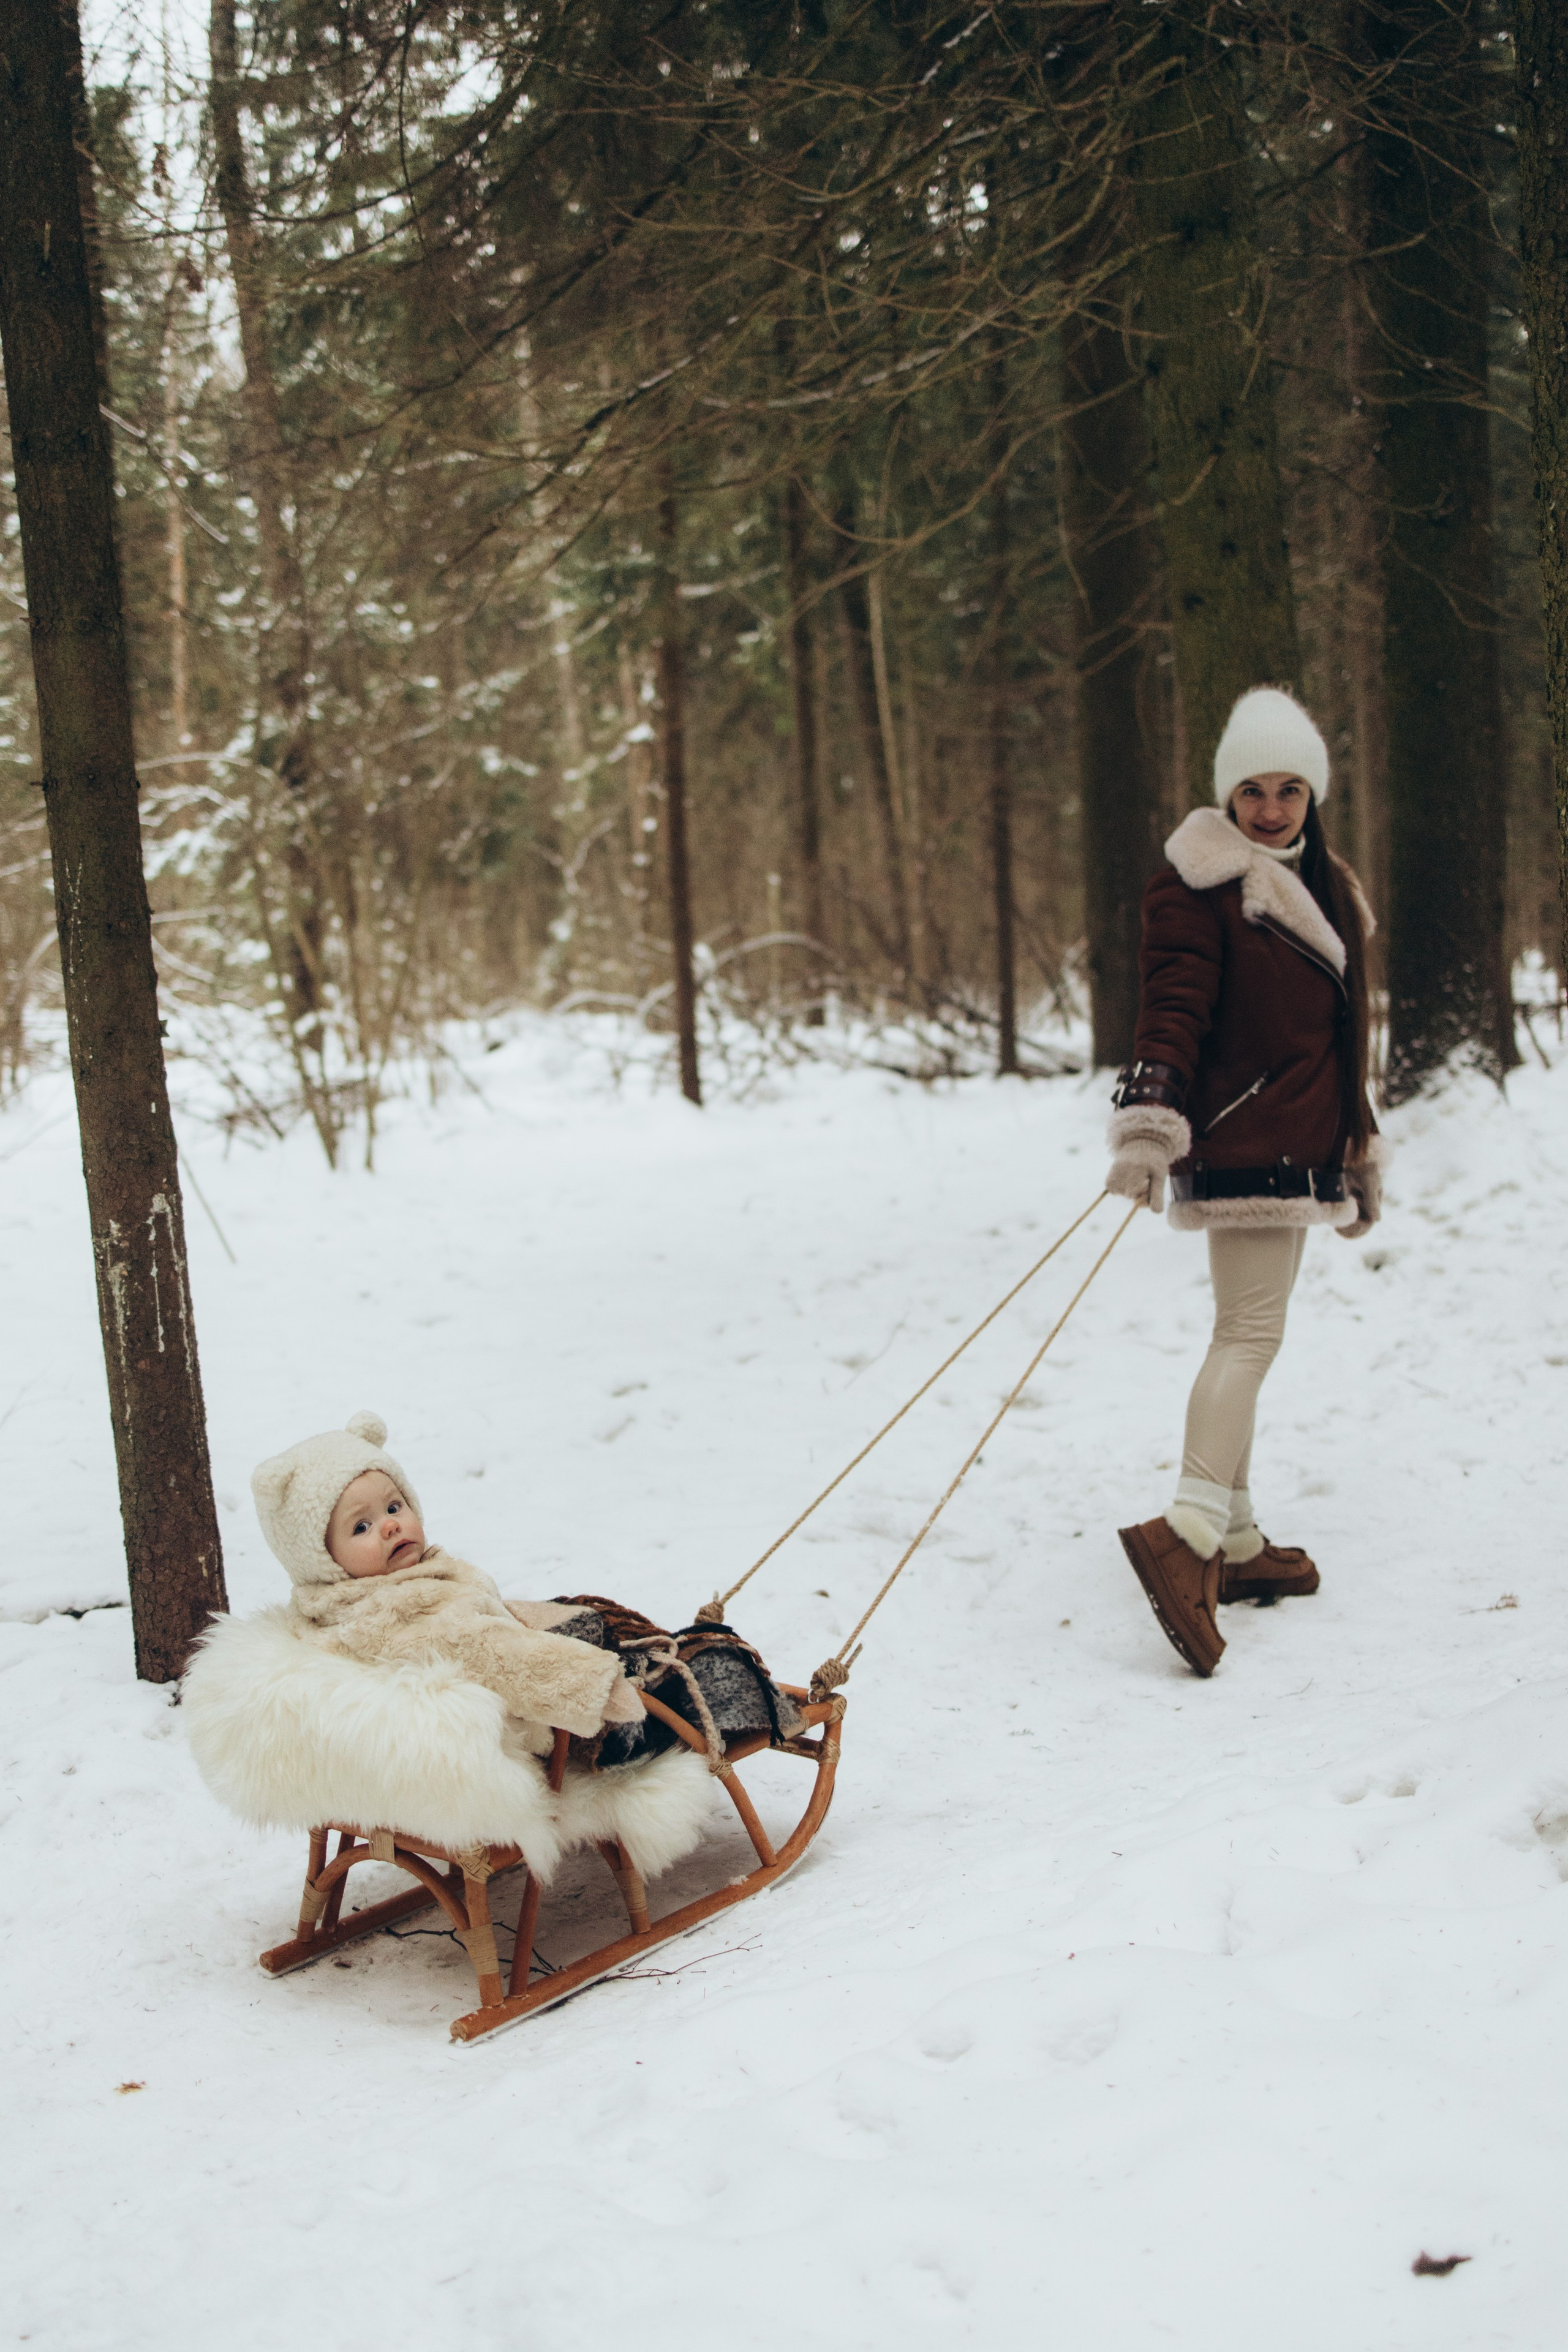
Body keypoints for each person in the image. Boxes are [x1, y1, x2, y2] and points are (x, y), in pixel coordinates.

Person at [1104, 687, 1383, 1679]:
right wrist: (1149, 1121)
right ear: (1229, 794)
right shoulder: (1202, 880)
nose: (1270, 808)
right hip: (1239, 1138)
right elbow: (1172, 1005)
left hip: (1301, 1140)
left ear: (1313, 793)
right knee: (1249, 1335)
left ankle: (1238, 1536)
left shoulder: (1327, 883)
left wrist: (1360, 1142)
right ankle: (1187, 1531)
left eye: (1289, 789)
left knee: (1249, 1335)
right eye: (1253, 791)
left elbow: (1342, 1037)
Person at [251, 1411, 647, 1743]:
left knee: (588, 1618)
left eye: (393, 1506)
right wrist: (594, 1684)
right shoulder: (386, 1614)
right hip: (545, 1732)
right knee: (663, 1680)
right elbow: (489, 1653)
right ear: (321, 1562)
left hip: (531, 1683)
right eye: (361, 1527)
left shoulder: (385, 1588)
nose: (389, 1526)